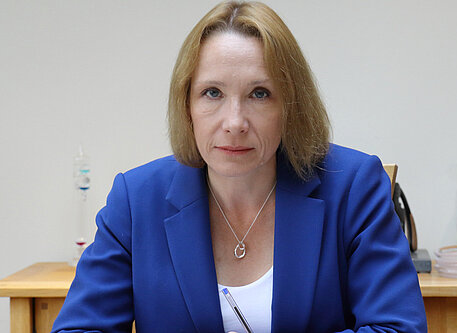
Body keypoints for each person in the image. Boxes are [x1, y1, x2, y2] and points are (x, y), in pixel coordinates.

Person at [52, 1, 427, 332]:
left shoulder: (354, 185)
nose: (234, 122)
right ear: (187, 106)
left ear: (290, 106)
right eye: (212, 93)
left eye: (259, 94)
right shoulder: (135, 200)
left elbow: (397, 327)